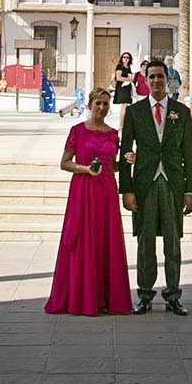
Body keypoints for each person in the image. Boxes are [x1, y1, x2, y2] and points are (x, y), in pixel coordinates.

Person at [119, 59, 192, 316]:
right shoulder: (135, 112)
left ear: (167, 79)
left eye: (160, 77)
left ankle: (173, 295)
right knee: (145, 242)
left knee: (173, 242)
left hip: (173, 184)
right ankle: (144, 295)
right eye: (151, 77)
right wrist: (126, 190)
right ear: (145, 79)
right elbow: (125, 152)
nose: (156, 81)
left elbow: (189, 153)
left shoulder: (181, 112)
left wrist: (190, 190)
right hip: (145, 184)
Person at [45, 86, 132, 316]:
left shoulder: (113, 134)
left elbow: (112, 165)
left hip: (106, 193)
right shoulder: (77, 131)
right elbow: (64, 162)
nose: (102, 108)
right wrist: (84, 169)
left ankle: (104, 298)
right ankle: (81, 297)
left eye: (105, 104)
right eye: (98, 104)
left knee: (105, 240)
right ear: (90, 105)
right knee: (82, 240)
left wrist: (126, 161)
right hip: (83, 191)